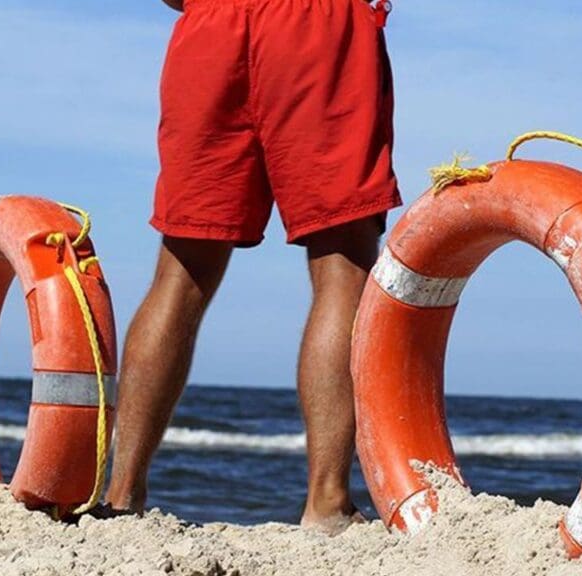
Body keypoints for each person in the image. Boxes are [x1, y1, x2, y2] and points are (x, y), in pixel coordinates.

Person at [105, 0, 400, 534]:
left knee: (182, 269)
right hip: (319, 28)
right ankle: (327, 504)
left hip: (209, 27)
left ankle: (123, 496)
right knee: (344, 264)